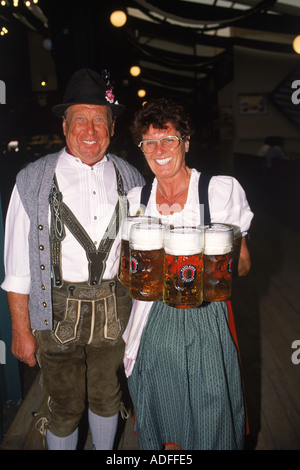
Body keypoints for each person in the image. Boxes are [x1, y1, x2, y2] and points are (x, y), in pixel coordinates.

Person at [1, 68, 145, 450]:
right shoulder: (31, 180)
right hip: (56, 311)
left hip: (115, 309)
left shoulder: (132, 179)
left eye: (100, 119)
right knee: (64, 404)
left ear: (112, 127)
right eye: (80, 119)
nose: (90, 130)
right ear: (64, 126)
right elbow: (16, 269)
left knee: (107, 394)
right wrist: (21, 330)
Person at [123, 98, 253, 450]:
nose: (159, 149)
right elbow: (125, 267)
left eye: (169, 139)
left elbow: (243, 265)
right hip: (150, 320)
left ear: (187, 142)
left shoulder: (219, 190)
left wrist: (218, 265)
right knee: (165, 426)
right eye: (149, 142)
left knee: (210, 422)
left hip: (205, 319)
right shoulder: (137, 197)